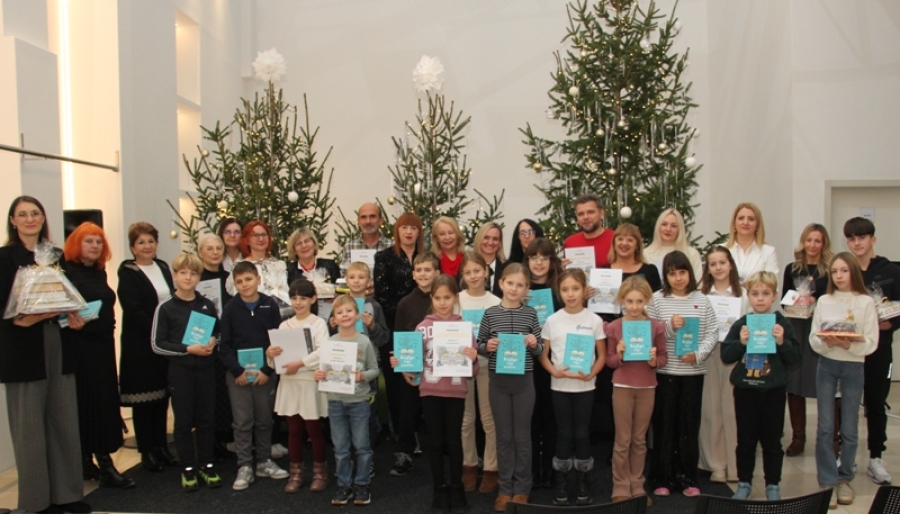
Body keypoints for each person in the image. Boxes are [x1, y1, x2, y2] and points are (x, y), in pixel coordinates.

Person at [0, 196, 91, 514]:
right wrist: (25, 318)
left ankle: (67, 495)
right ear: (13, 221)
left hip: (58, 341)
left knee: (63, 420)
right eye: (22, 214)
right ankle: (37, 503)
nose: (30, 219)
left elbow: (67, 295)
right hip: (23, 349)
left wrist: (74, 315)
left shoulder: (55, 255)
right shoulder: (5, 257)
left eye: (35, 213)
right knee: (29, 431)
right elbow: (6, 309)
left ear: (43, 218)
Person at [391, 274, 478, 513]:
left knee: (454, 441)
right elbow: (413, 364)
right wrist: (402, 364)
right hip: (430, 391)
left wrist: (473, 359)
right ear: (432, 298)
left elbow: (473, 371)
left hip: (456, 392)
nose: (442, 303)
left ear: (455, 298)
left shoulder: (464, 328)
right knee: (436, 442)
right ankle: (439, 488)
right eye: (438, 298)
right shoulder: (423, 327)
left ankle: (456, 487)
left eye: (447, 298)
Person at [62, 222, 133, 489]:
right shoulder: (66, 272)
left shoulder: (98, 272)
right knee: (89, 403)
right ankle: (103, 466)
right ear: (76, 244)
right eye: (88, 241)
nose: (94, 246)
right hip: (81, 348)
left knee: (103, 402)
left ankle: (89, 462)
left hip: (102, 347)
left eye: (98, 241)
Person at [721, 271, 801, 501]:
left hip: (773, 391)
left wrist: (782, 342)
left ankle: (773, 485)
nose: (760, 298)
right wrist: (741, 342)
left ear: (774, 296)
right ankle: (744, 482)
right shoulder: (742, 324)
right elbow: (726, 355)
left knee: (772, 441)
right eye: (755, 293)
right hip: (745, 391)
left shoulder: (783, 324)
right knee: (745, 441)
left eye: (766, 293)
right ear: (748, 296)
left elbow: (795, 358)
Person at [646, 251, 718, 497]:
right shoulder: (657, 300)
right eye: (672, 273)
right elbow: (649, 333)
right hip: (665, 373)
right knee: (664, 425)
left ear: (690, 273)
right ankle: (662, 478)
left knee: (688, 426)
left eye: (682, 272)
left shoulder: (702, 300)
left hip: (692, 374)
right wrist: (668, 327)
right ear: (665, 276)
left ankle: (688, 478)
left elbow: (712, 332)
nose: (678, 278)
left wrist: (698, 355)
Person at [809, 252, 879, 508]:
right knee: (826, 426)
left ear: (853, 272)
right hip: (827, 365)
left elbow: (871, 341)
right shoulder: (824, 300)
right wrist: (828, 343)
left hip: (853, 366)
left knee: (849, 427)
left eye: (844, 271)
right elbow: (814, 338)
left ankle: (845, 477)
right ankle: (827, 481)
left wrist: (849, 345)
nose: (839, 276)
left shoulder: (865, 302)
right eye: (835, 271)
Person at [150, 253, 222, 491]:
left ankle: (207, 465)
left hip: (207, 371)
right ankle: (188, 468)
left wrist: (213, 340)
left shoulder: (207, 305)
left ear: (199, 278)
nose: (188, 277)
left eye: (193, 273)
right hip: (181, 373)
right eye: (183, 273)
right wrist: (187, 349)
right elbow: (157, 344)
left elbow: (218, 331)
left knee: (206, 421)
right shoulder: (165, 307)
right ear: (174, 276)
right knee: (183, 423)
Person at [477, 263, 544, 512]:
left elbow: (540, 349)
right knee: (504, 437)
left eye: (520, 285)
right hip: (498, 381)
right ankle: (505, 489)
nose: (514, 289)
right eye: (510, 283)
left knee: (522, 437)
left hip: (524, 381)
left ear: (526, 289)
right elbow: (480, 343)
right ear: (501, 283)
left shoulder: (531, 314)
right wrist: (487, 346)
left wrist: (534, 343)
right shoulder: (490, 313)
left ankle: (522, 488)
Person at [219, 261, 289, 491]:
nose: (244, 285)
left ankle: (264, 461)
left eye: (248, 279)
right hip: (238, 375)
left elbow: (277, 342)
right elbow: (224, 346)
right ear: (234, 284)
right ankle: (244, 465)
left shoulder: (270, 305)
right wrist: (237, 371)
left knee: (264, 419)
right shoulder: (230, 308)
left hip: (264, 374)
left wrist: (267, 370)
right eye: (239, 281)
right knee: (242, 422)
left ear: (258, 280)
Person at [539, 269, 606, 506]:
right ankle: (562, 483)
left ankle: (584, 483)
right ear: (559, 292)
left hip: (585, 388)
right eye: (565, 289)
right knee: (564, 433)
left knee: (582, 433)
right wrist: (554, 371)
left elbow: (602, 356)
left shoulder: (594, 320)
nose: (570, 294)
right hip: (560, 386)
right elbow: (543, 355)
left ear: (584, 290)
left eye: (575, 289)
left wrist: (592, 374)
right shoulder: (552, 320)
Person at [843, 217, 900, 485]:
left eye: (862, 237)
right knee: (848, 403)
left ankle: (876, 457)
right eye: (852, 239)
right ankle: (846, 456)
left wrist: (893, 323)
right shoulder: (844, 270)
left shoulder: (891, 270)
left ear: (872, 239)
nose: (857, 243)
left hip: (879, 349)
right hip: (849, 350)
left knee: (876, 403)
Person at [118, 221, 177, 472]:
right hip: (140, 346)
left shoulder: (162, 266)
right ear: (132, 247)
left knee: (162, 397)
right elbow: (133, 311)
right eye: (141, 242)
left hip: (162, 344)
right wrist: (157, 331)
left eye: (150, 241)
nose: (146, 246)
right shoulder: (128, 272)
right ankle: (147, 452)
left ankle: (162, 447)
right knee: (144, 401)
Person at [605, 276, 667, 506]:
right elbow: (610, 361)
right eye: (629, 301)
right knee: (623, 439)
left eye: (639, 301)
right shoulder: (614, 327)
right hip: (622, 386)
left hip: (647, 386)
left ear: (647, 301)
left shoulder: (655, 327)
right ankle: (620, 485)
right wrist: (619, 355)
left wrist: (653, 361)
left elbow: (663, 357)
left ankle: (637, 485)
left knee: (639, 440)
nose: (634, 306)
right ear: (622, 300)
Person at [315, 295, 380, 506]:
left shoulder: (364, 341)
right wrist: (319, 375)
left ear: (357, 314)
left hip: (359, 401)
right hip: (335, 401)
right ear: (333, 319)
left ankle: (362, 484)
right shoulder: (329, 343)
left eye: (349, 311)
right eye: (339, 312)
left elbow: (374, 369)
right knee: (341, 448)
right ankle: (344, 484)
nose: (345, 315)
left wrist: (363, 376)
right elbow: (323, 371)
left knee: (362, 446)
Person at [266, 279, 330, 493]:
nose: (298, 302)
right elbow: (276, 361)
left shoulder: (318, 323)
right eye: (294, 298)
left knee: (313, 429)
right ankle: (296, 473)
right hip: (289, 382)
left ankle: (320, 472)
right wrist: (270, 355)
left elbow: (323, 352)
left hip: (309, 381)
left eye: (303, 298)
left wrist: (300, 363)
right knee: (293, 430)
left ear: (313, 299)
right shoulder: (284, 325)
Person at [697, 246, 747, 483]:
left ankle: (735, 466)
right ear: (708, 269)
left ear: (730, 265)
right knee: (710, 408)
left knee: (733, 409)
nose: (718, 268)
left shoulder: (742, 294)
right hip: (708, 353)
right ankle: (715, 464)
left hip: (735, 353)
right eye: (713, 264)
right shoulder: (701, 295)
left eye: (722, 263)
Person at [782, 224, 832, 458]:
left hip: (820, 328)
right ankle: (798, 437)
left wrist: (815, 301)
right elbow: (783, 300)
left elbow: (834, 298)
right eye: (809, 240)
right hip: (797, 327)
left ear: (824, 244)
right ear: (803, 242)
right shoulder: (792, 269)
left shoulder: (830, 269)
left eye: (817, 241)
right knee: (795, 383)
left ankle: (830, 438)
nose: (812, 245)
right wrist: (797, 301)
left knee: (825, 383)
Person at [390, 252, 441, 477]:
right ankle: (405, 452)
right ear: (413, 274)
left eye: (428, 270)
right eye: (418, 270)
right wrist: (403, 368)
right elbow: (400, 336)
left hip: (439, 367)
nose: (423, 274)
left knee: (437, 412)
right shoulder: (405, 303)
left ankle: (442, 450)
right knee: (407, 412)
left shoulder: (444, 299)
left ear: (437, 273)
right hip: (413, 368)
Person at [374, 212, 424, 435]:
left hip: (424, 329)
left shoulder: (426, 257)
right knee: (397, 384)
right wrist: (407, 316)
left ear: (419, 232)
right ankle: (401, 433)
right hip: (395, 329)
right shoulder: (384, 257)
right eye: (404, 227)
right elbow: (383, 297)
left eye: (413, 228)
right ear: (397, 231)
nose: (409, 232)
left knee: (422, 379)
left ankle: (420, 431)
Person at [458, 252, 501, 494]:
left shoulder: (495, 302)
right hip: (461, 366)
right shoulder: (457, 300)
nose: (473, 276)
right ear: (462, 276)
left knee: (488, 418)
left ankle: (492, 468)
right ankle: (469, 465)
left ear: (486, 271)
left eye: (477, 271)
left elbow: (500, 337)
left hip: (486, 365)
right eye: (468, 272)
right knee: (466, 418)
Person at [523, 238, 562, 489]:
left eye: (544, 258)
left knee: (551, 416)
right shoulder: (521, 289)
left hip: (553, 361)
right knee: (531, 417)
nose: (539, 263)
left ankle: (549, 467)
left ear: (551, 261)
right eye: (534, 257)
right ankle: (532, 469)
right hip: (527, 362)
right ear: (527, 260)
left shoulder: (560, 290)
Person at [197, 232, 235, 456]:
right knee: (206, 394)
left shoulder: (230, 277)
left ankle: (225, 437)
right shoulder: (196, 278)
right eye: (209, 248)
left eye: (218, 248)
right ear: (200, 252)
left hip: (226, 342)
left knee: (224, 392)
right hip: (204, 342)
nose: (214, 252)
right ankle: (209, 441)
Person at [225, 220, 292, 318]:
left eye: (264, 234)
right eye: (255, 235)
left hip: (280, 316)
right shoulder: (240, 266)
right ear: (247, 240)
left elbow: (285, 292)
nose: (261, 238)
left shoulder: (279, 265)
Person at [724, 202, 779, 283]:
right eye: (741, 218)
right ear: (734, 224)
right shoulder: (722, 250)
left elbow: (772, 285)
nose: (745, 222)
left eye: (751, 219)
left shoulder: (768, 252)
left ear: (757, 225)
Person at [604, 223, 662, 292]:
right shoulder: (603, 271)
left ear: (637, 245)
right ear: (614, 243)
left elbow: (657, 297)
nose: (624, 243)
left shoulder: (650, 271)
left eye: (630, 240)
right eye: (620, 239)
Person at [340, 202, 393, 275]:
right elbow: (344, 275)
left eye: (372, 216)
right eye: (363, 217)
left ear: (381, 220)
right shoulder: (349, 247)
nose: (368, 221)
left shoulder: (392, 246)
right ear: (358, 221)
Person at [563, 194, 614, 269]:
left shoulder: (615, 239)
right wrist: (563, 269)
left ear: (601, 214)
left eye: (590, 212)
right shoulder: (570, 242)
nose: (585, 217)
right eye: (580, 214)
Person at [473, 221, 507, 296]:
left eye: (495, 239)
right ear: (479, 239)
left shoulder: (508, 268)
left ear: (500, 243)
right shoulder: (467, 265)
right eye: (486, 237)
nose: (490, 242)